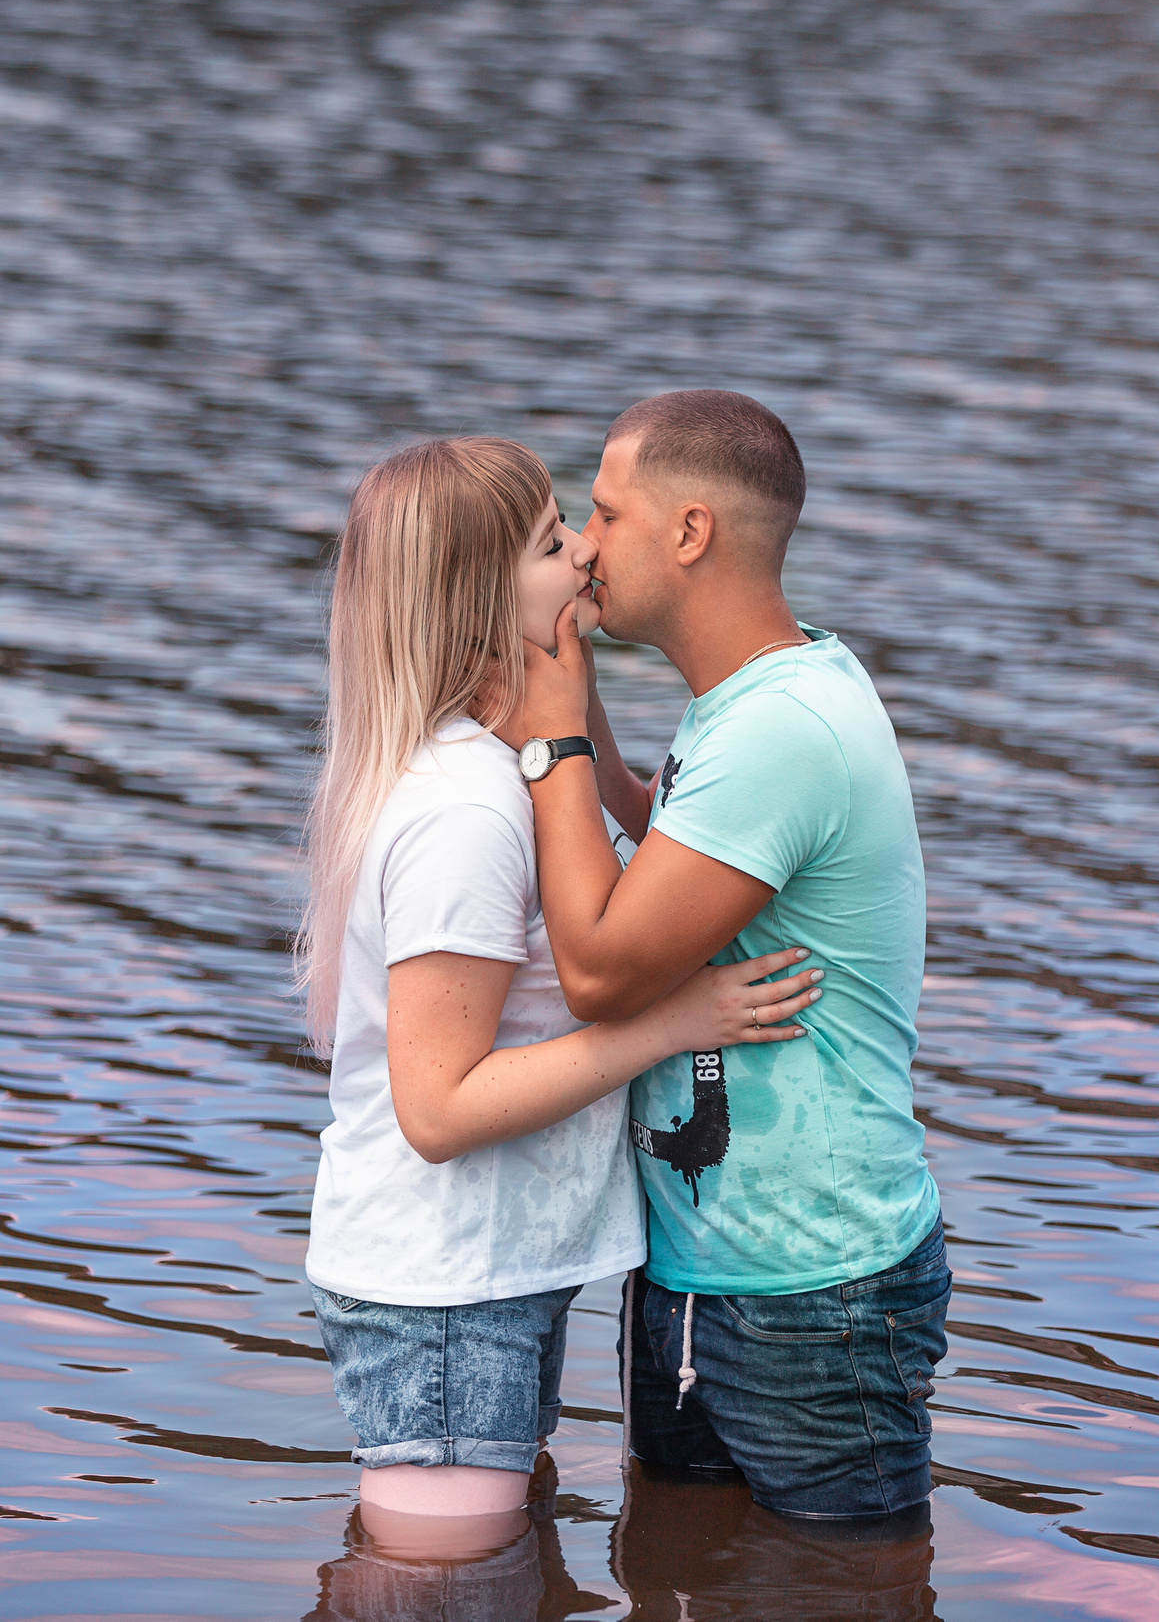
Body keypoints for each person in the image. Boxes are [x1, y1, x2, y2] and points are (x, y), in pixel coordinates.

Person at [296, 434, 825, 1556]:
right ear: (480, 601)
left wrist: (572, 712)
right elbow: (436, 1111)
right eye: (551, 542)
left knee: (475, 1579)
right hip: (441, 1293)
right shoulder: (467, 812)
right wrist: (668, 1029)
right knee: (444, 1594)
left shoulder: (510, 774)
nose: (586, 552)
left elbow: (620, 837)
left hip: (485, 1277)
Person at [499, 390, 950, 1526]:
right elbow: (672, 838)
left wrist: (550, 742)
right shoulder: (750, 699)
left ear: (690, 532)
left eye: (603, 515)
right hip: (712, 1269)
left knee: (845, 1598)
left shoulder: (776, 733)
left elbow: (600, 975)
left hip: (813, 1293)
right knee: (676, 1574)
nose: (584, 546)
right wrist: (584, 709)